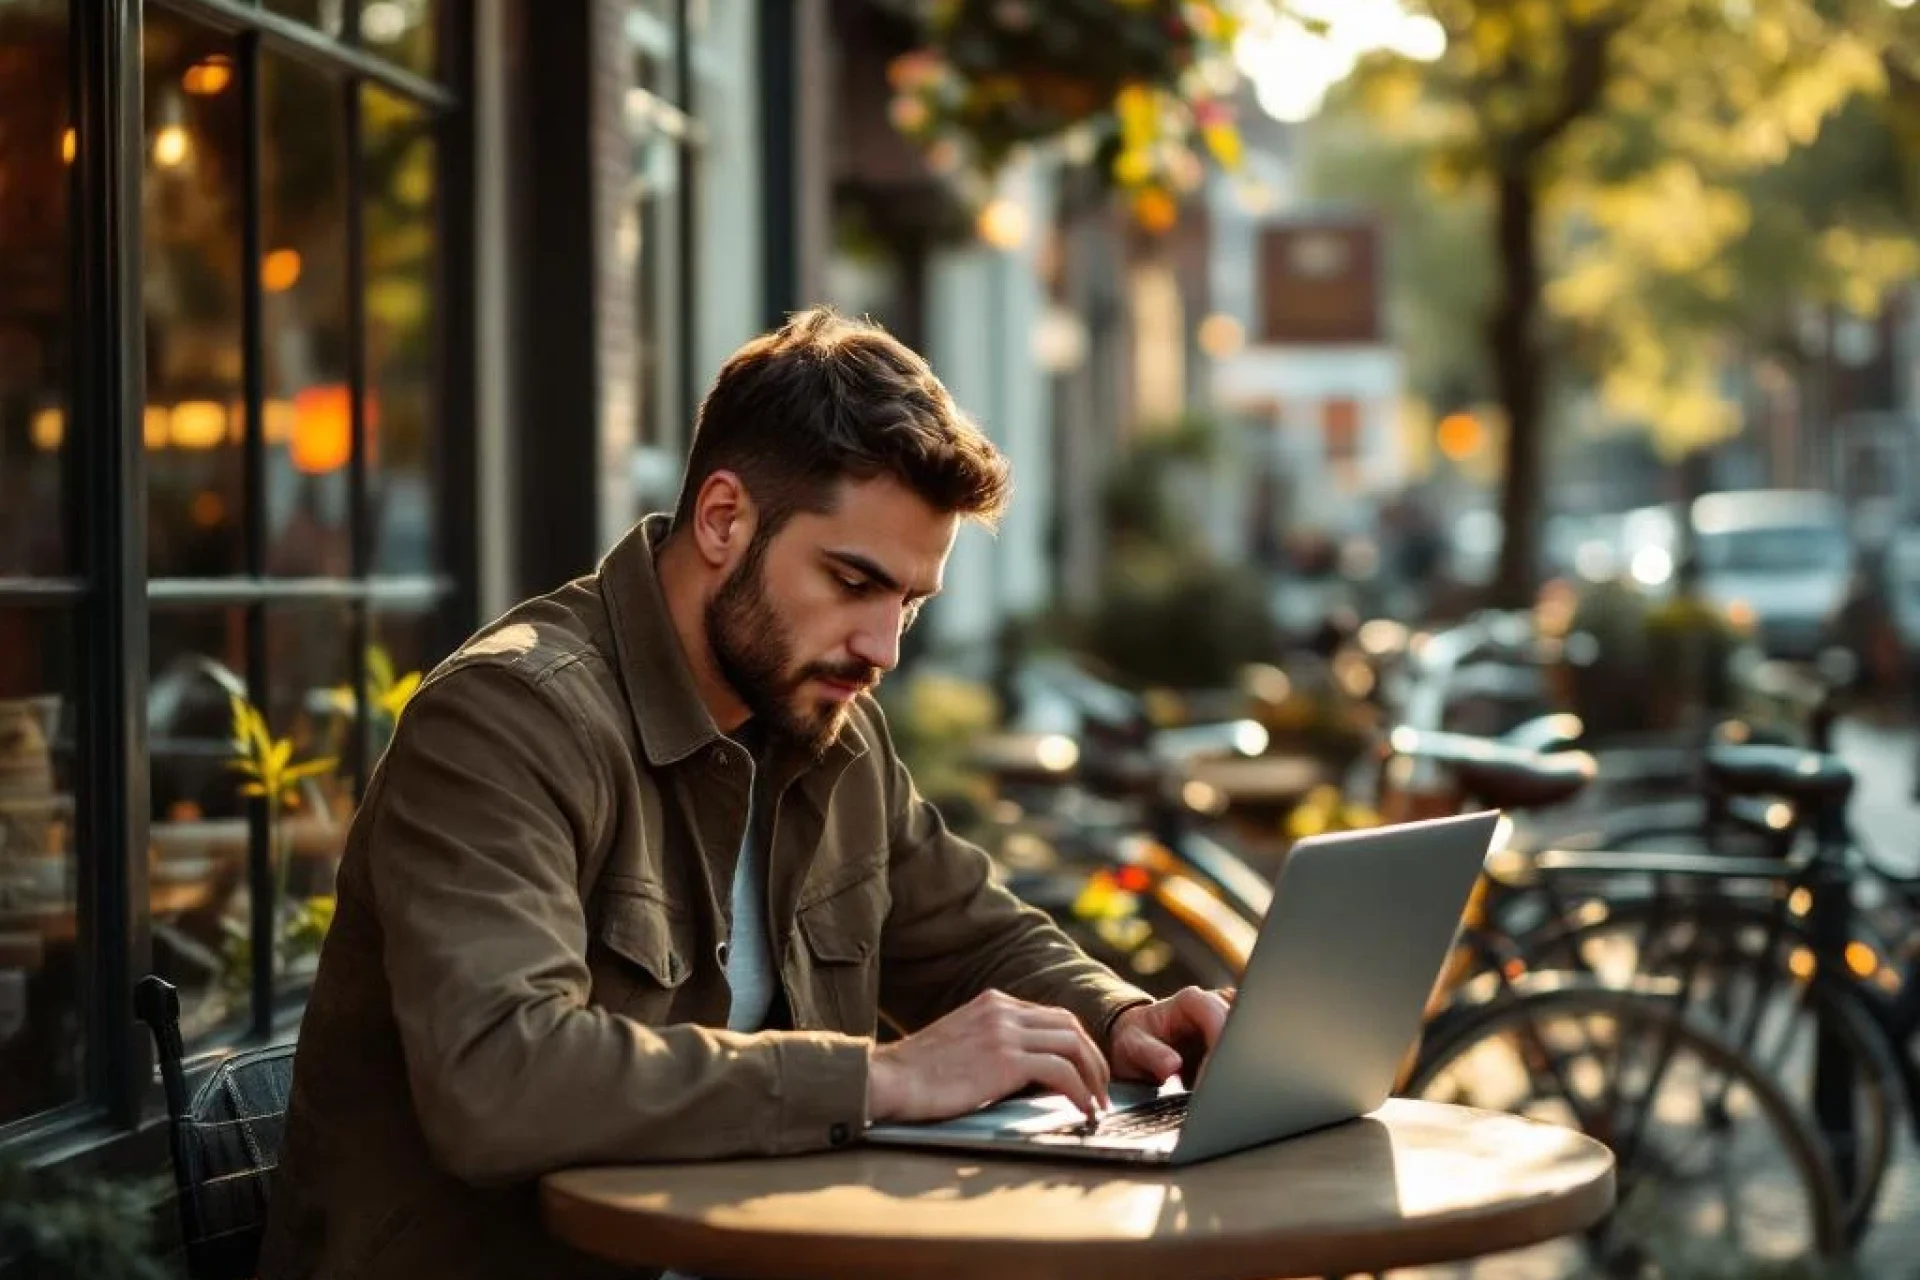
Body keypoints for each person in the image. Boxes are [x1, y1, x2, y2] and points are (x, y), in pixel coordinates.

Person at [258, 308, 1232, 1280]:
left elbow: (970, 934)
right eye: (854, 580)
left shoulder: (825, 722)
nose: (883, 648)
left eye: (908, 603)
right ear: (725, 518)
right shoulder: (508, 719)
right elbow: (500, 1078)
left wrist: (1117, 1017)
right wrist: (880, 1075)